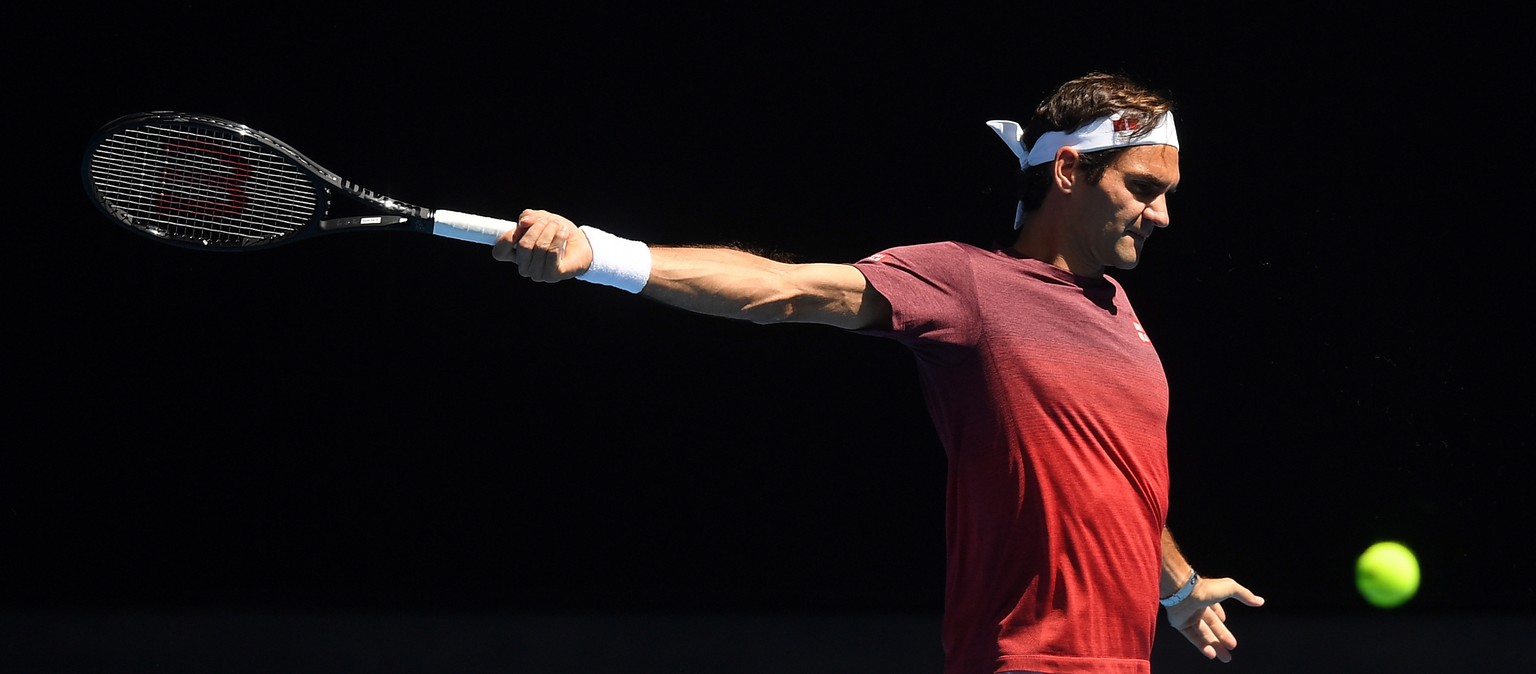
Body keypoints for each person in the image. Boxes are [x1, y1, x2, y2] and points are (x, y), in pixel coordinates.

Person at [492, 72, 1264, 673]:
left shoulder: (1118, 307)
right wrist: (599, 254)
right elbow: (781, 291)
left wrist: (1179, 586)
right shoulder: (967, 284)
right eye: (1143, 188)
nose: (1162, 215)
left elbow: (1115, 476)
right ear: (1068, 171)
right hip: (1026, 659)